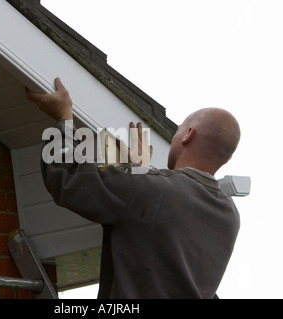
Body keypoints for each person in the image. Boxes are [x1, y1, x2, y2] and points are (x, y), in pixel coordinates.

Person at [26, 78, 241, 299]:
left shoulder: (153, 190)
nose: (174, 137)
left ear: (188, 135)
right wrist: (139, 171)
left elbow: (66, 176)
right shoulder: (229, 216)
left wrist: (64, 119)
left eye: (177, 131)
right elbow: (161, 241)